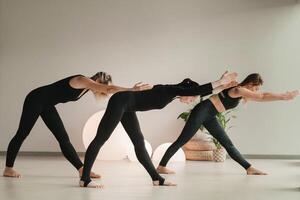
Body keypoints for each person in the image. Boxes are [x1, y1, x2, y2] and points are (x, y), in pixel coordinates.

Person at [79, 71, 238, 188]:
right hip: (121, 101)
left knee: (139, 143)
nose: (191, 100)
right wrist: (219, 81)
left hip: (127, 106)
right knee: (101, 138)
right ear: (188, 92)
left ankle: (157, 179)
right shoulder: (172, 90)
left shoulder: (173, 93)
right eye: (192, 97)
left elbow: (197, 91)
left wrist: (221, 85)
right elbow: (196, 90)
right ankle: (85, 179)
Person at [3, 72, 150, 178]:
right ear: (98, 79)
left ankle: (81, 169)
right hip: (35, 99)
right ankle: (8, 168)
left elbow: (108, 89)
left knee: (63, 138)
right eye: (102, 85)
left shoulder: (87, 87)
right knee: (22, 134)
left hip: (46, 104)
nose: (101, 90)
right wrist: (132, 89)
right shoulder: (82, 80)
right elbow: (108, 89)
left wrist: (124, 90)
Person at [156, 73, 299, 176]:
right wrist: (283, 96)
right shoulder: (238, 89)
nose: (256, 91)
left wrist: (280, 97)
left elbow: (262, 97)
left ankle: (248, 168)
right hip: (202, 111)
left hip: (210, 115)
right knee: (182, 140)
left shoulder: (240, 91)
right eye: (256, 88)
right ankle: (161, 166)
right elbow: (262, 96)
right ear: (250, 84)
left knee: (227, 143)